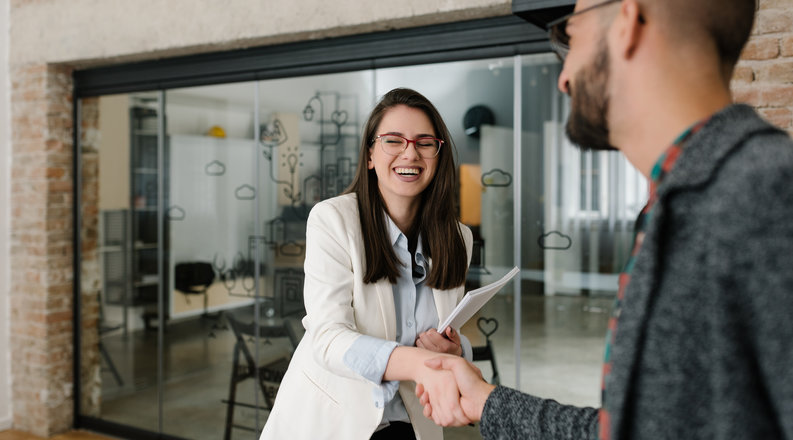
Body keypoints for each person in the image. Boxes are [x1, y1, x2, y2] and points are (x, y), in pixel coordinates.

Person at [416, 0, 793, 439]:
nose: (563, 77)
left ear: (627, 24)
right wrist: (486, 401)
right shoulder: (679, 205)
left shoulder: (768, 195)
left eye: (570, 38)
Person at [260, 87, 475, 440]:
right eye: (393, 140)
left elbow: (447, 330)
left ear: (438, 155)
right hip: (332, 423)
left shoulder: (457, 238)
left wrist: (455, 351)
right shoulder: (332, 220)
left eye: (424, 142)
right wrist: (420, 362)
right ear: (371, 154)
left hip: (413, 423)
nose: (411, 152)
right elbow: (327, 338)